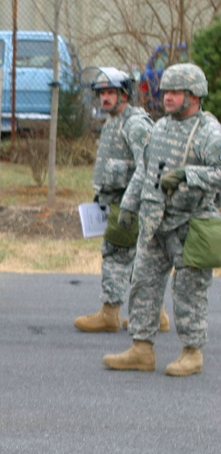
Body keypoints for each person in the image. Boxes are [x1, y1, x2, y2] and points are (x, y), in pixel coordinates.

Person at [103, 63, 221, 376]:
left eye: (175, 91)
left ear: (194, 96)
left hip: (189, 226)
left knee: (189, 291)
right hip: (154, 222)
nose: (167, 97)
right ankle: (141, 349)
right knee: (143, 283)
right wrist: (128, 207)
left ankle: (192, 353)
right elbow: (144, 168)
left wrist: (188, 175)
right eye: (166, 91)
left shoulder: (209, 132)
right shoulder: (160, 127)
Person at [73, 67, 156, 333]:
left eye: (111, 92)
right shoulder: (113, 122)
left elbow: (148, 165)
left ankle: (110, 313)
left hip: (127, 204)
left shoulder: (134, 124)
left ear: (125, 94)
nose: (105, 98)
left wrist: (132, 203)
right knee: (137, 260)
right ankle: (158, 315)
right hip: (113, 200)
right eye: (101, 93)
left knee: (115, 255)